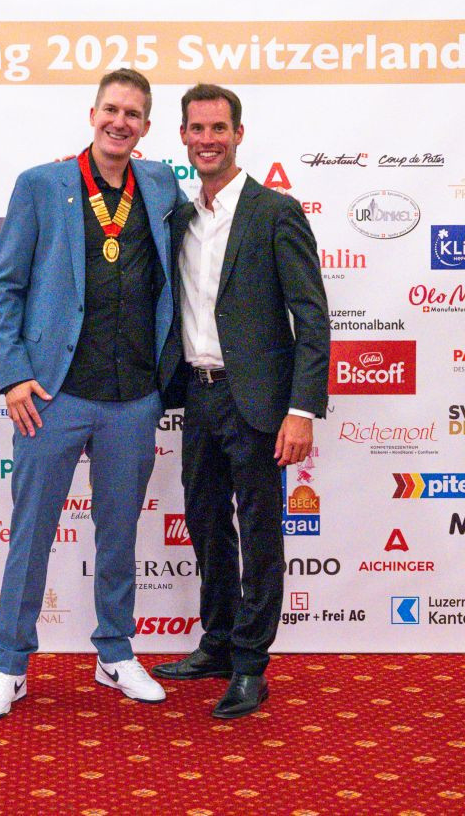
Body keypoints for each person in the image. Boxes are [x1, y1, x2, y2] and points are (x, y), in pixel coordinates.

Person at [0, 69, 184, 720]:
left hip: (134, 396)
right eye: (111, 110)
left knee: (119, 535)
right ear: (93, 114)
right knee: (31, 534)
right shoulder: (42, 185)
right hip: (52, 395)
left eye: (133, 114)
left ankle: (114, 651)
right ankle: (9, 664)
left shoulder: (160, 185)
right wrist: (13, 376)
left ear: (146, 127)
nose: (120, 122)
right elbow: (4, 287)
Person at [152, 83, 330, 719]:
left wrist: (301, 410)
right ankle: (219, 643)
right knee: (205, 525)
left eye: (218, 128)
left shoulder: (275, 211)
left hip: (257, 401)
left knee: (258, 532)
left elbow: (312, 316)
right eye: (197, 128)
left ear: (238, 134)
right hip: (197, 396)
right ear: (182, 135)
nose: (208, 139)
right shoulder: (178, 217)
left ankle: (252, 663)